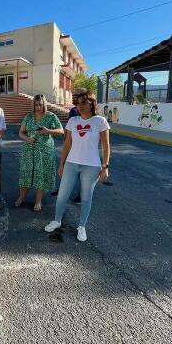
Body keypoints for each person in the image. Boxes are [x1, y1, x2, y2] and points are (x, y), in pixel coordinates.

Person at [44, 92, 110, 242]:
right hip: (71, 163)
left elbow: (106, 147)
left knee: (86, 197)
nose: (79, 106)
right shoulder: (73, 121)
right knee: (62, 195)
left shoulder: (100, 121)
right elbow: (67, 144)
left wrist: (105, 167)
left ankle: (82, 226)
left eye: (83, 103)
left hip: (92, 166)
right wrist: (61, 163)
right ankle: (56, 220)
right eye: (78, 103)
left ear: (92, 104)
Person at [15, 94, 64, 211]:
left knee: (40, 175)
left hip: (44, 151)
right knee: (25, 173)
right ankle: (22, 197)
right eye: (36, 105)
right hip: (29, 150)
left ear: (44, 104)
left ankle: (38, 201)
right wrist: (27, 139)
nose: (38, 107)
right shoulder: (29, 117)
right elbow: (21, 132)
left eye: (40, 105)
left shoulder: (51, 116)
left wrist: (48, 131)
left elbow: (61, 131)